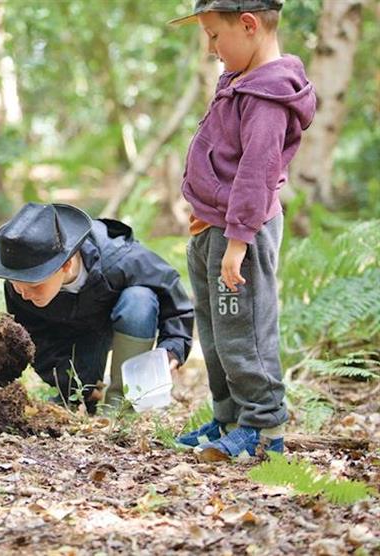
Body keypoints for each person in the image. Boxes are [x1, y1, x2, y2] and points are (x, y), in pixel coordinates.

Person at [169, 0, 316, 459]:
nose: (211, 48)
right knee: (214, 333)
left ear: (249, 25)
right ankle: (228, 417)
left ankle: (263, 427)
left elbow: (256, 172)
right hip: (213, 227)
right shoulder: (239, 81)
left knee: (244, 331)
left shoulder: (268, 97)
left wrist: (237, 242)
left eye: (215, 35)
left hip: (240, 237)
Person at [0, 203, 194, 414]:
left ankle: (123, 403)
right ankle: (84, 393)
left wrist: (173, 347)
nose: (23, 292)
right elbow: (36, 340)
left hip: (121, 318)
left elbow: (173, 297)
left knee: (140, 299)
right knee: (78, 394)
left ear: (66, 265)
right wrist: (71, 385)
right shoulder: (20, 284)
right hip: (72, 336)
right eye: (15, 283)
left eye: (33, 284)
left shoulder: (121, 260)